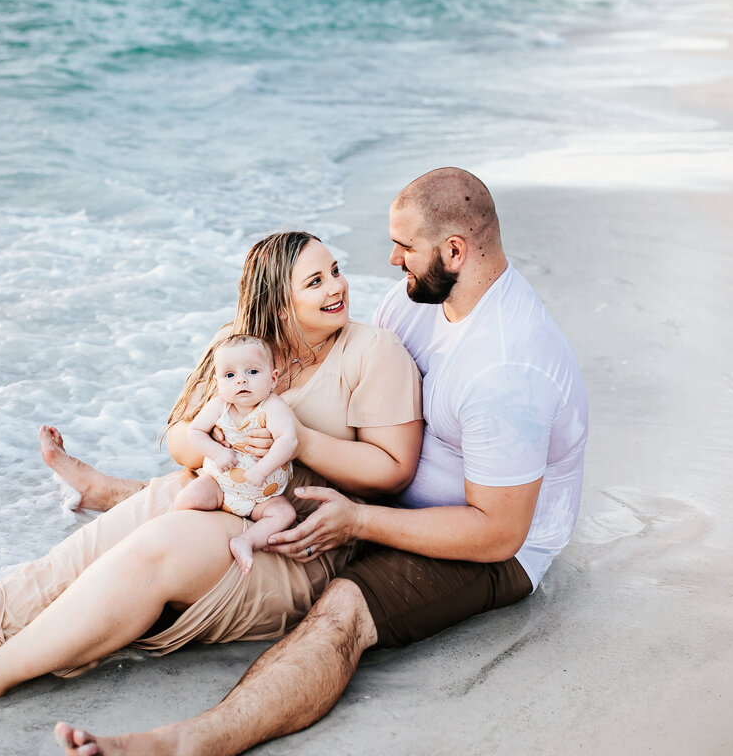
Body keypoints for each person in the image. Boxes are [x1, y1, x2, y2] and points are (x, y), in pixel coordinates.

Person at [0, 231, 423, 742]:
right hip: (218, 492)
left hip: (296, 540)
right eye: (315, 281)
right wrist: (216, 445)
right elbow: (181, 434)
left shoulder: (372, 352)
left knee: (157, 546)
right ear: (277, 302)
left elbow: (393, 468)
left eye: (334, 271)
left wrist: (299, 441)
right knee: (56, 570)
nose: (338, 286)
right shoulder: (241, 350)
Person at [54, 167, 589, 756]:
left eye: (405, 247)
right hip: (391, 496)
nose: (391, 259)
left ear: (454, 251)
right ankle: (111, 493)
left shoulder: (506, 368)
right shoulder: (417, 301)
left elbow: (499, 533)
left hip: (483, 546)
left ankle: (192, 741)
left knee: (343, 611)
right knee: (226, 483)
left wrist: (358, 521)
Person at [174, 333, 298, 574]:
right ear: (218, 381)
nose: (241, 381)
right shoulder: (220, 405)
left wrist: (262, 470)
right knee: (189, 498)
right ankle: (179, 530)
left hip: (261, 497)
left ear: (273, 378)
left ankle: (246, 541)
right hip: (220, 486)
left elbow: (288, 441)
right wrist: (217, 452)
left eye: (252, 372)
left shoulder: (272, 407)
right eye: (230, 375)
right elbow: (195, 432)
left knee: (285, 513)